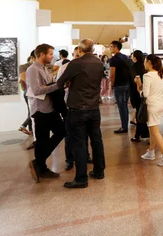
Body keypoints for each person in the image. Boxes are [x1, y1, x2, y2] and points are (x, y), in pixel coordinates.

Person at [57, 39, 106, 189]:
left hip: (78, 108)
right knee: (96, 139)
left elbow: (60, 82)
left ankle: (81, 178)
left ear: (80, 49)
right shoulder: (98, 63)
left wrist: (70, 82)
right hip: (93, 107)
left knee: (79, 143)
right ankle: (99, 171)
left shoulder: (76, 63)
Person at [26, 44, 65, 183]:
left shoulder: (45, 68)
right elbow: (36, 90)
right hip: (40, 110)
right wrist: (58, 85)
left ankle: (38, 162)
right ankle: (41, 167)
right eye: (49, 54)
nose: (52, 56)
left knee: (61, 131)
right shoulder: (33, 70)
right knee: (42, 140)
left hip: (50, 108)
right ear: (41, 54)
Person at [137, 55, 163, 166]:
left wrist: (139, 86)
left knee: (155, 132)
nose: (144, 63)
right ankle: (151, 152)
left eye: (145, 61)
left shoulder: (147, 76)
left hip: (152, 105)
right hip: (159, 104)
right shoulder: (160, 74)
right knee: (153, 129)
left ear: (149, 62)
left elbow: (145, 94)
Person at [109, 40, 131, 134]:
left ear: (115, 47)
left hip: (119, 85)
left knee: (121, 106)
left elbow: (112, 74)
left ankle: (124, 127)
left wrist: (112, 84)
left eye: (111, 46)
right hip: (127, 84)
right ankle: (125, 125)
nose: (110, 48)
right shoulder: (125, 57)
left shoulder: (113, 59)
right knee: (125, 105)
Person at [129, 50, 150, 142]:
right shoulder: (145, 66)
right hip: (146, 92)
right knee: (142, 112)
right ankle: (142, 133)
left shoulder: (134, 67)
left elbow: (136, 79)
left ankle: (139, 134)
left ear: (135, 57)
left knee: (139, 113)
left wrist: (139, 88)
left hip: (137, 92)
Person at [18, 51, 35, 137]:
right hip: (28, 92)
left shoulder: (40, 66)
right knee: (33, 111)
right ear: (32, 58)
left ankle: (30, 130)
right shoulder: (23, 66)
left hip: (32, 92)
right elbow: (23, 79)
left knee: (30, 111)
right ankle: (23, 126)